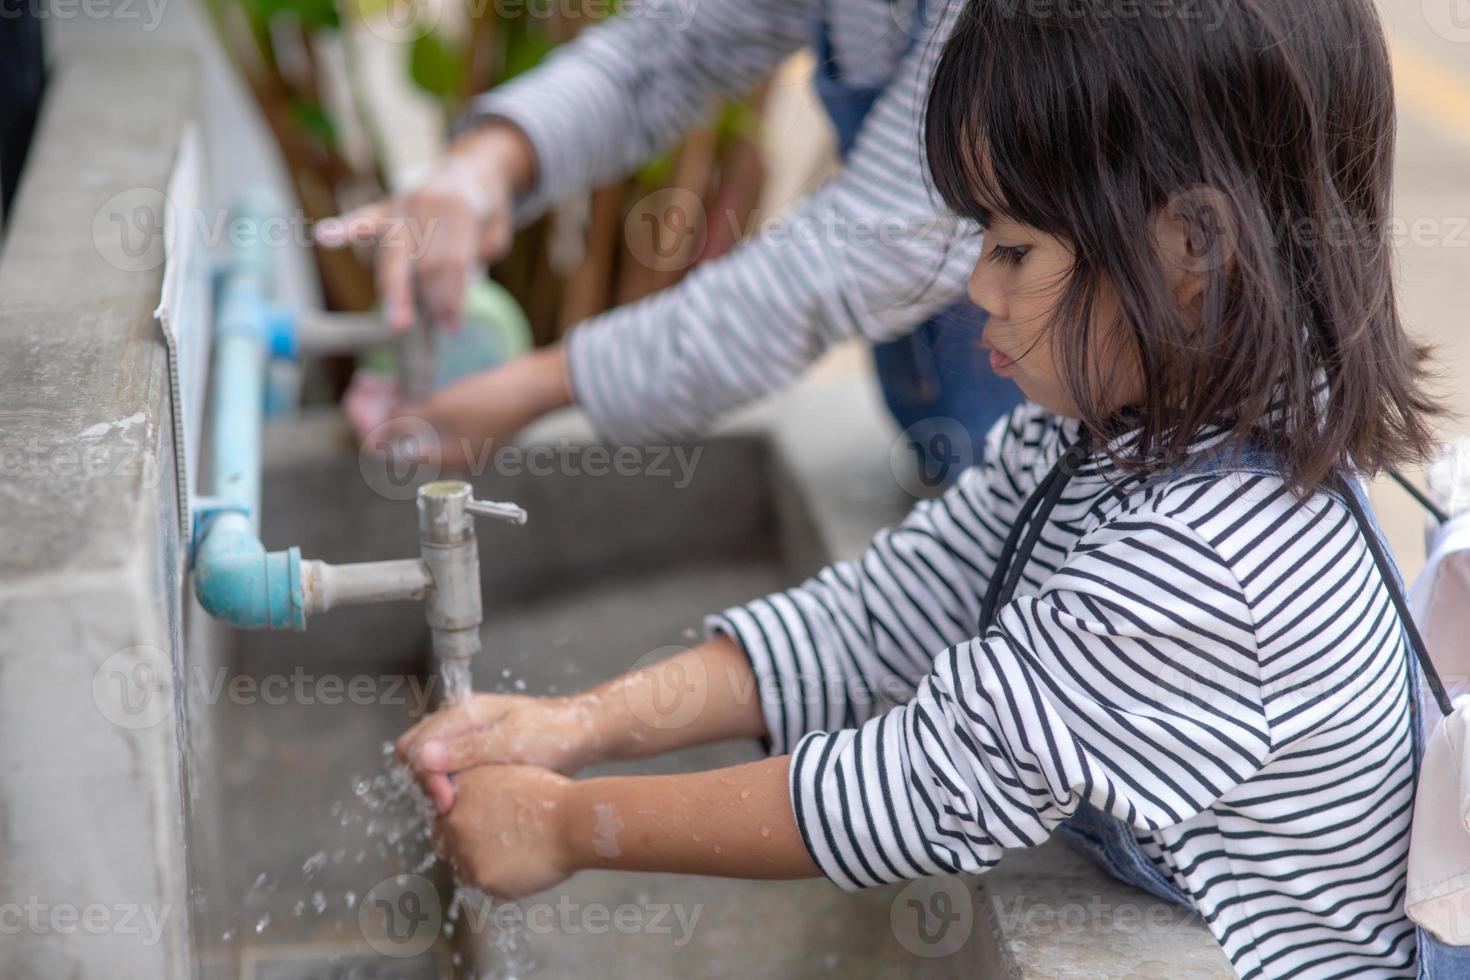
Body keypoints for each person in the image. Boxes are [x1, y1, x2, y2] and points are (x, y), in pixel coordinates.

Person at [397, 0, 1444, 973]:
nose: (974, 285)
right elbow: (890, 612)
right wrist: (573, 724)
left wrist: (576, 825)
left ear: (1194, 243)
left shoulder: (1216, 558)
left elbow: (922, 786)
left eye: (1012, 248)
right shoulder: (1114, 431)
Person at [315, 0, 1022, 477]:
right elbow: (667, 50)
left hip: (1072, 432)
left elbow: (886, 243)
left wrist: (535, 387)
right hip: (954, 415)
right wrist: (487, 161)